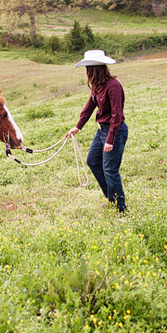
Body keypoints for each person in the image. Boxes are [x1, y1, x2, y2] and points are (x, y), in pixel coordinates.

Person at [66, 50, 128, 213]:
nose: (87, 73)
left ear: (95, 69)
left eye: (88, 69)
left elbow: (117, 115)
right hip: (102, 131)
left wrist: (110, 139)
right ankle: (111, 198)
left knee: (110, 170)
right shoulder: (97, 86)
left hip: (114, 132)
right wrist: (78, 126)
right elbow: (90, 106)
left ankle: (121, 208)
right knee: (93, 161)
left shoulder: (113, 86)